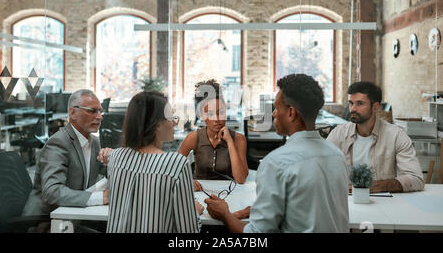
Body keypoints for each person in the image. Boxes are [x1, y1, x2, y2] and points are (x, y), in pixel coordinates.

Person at [205, 74, 349, 233]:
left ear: (291, 113)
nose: (273, 114)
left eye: (276, 108)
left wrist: (225, 214)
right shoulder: (337, 156)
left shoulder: (276, 163)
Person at [105, 91, 204, 233]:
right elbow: (189, 230)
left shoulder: (115, 157)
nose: (175, 122)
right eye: (171, 117)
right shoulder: (176, 164)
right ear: (157, 124)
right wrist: (194, 212)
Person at [23, 89, 110, 217]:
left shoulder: (95, 142)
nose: (99, 117)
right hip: (46, 221)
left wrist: (113, 159)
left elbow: (106, 171)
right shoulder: (58, 142)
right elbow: (52, 192)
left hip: (75, 215)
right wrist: (100, 198)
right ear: (73, 112)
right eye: (92, 111)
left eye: (100, 111)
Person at [327, 81, 424, 193]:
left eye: (359, 103)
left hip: (384, 202)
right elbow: (321, 170)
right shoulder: (338, 134)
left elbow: (416, 179)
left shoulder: (396, 136)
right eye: (351, 103)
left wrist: (379, 186)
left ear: (375, 107)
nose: (352, 109)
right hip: (346, 201)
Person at [178, 79, 248, 190]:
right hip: (199, 194)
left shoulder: (239, 139)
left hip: (229, 193)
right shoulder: (193, 137)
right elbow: (173, 168)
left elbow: (240, 179)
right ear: (202, 115)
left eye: (220, 112)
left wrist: (230, 142)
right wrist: (188, 181)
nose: (217, 119)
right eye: (210, 114)